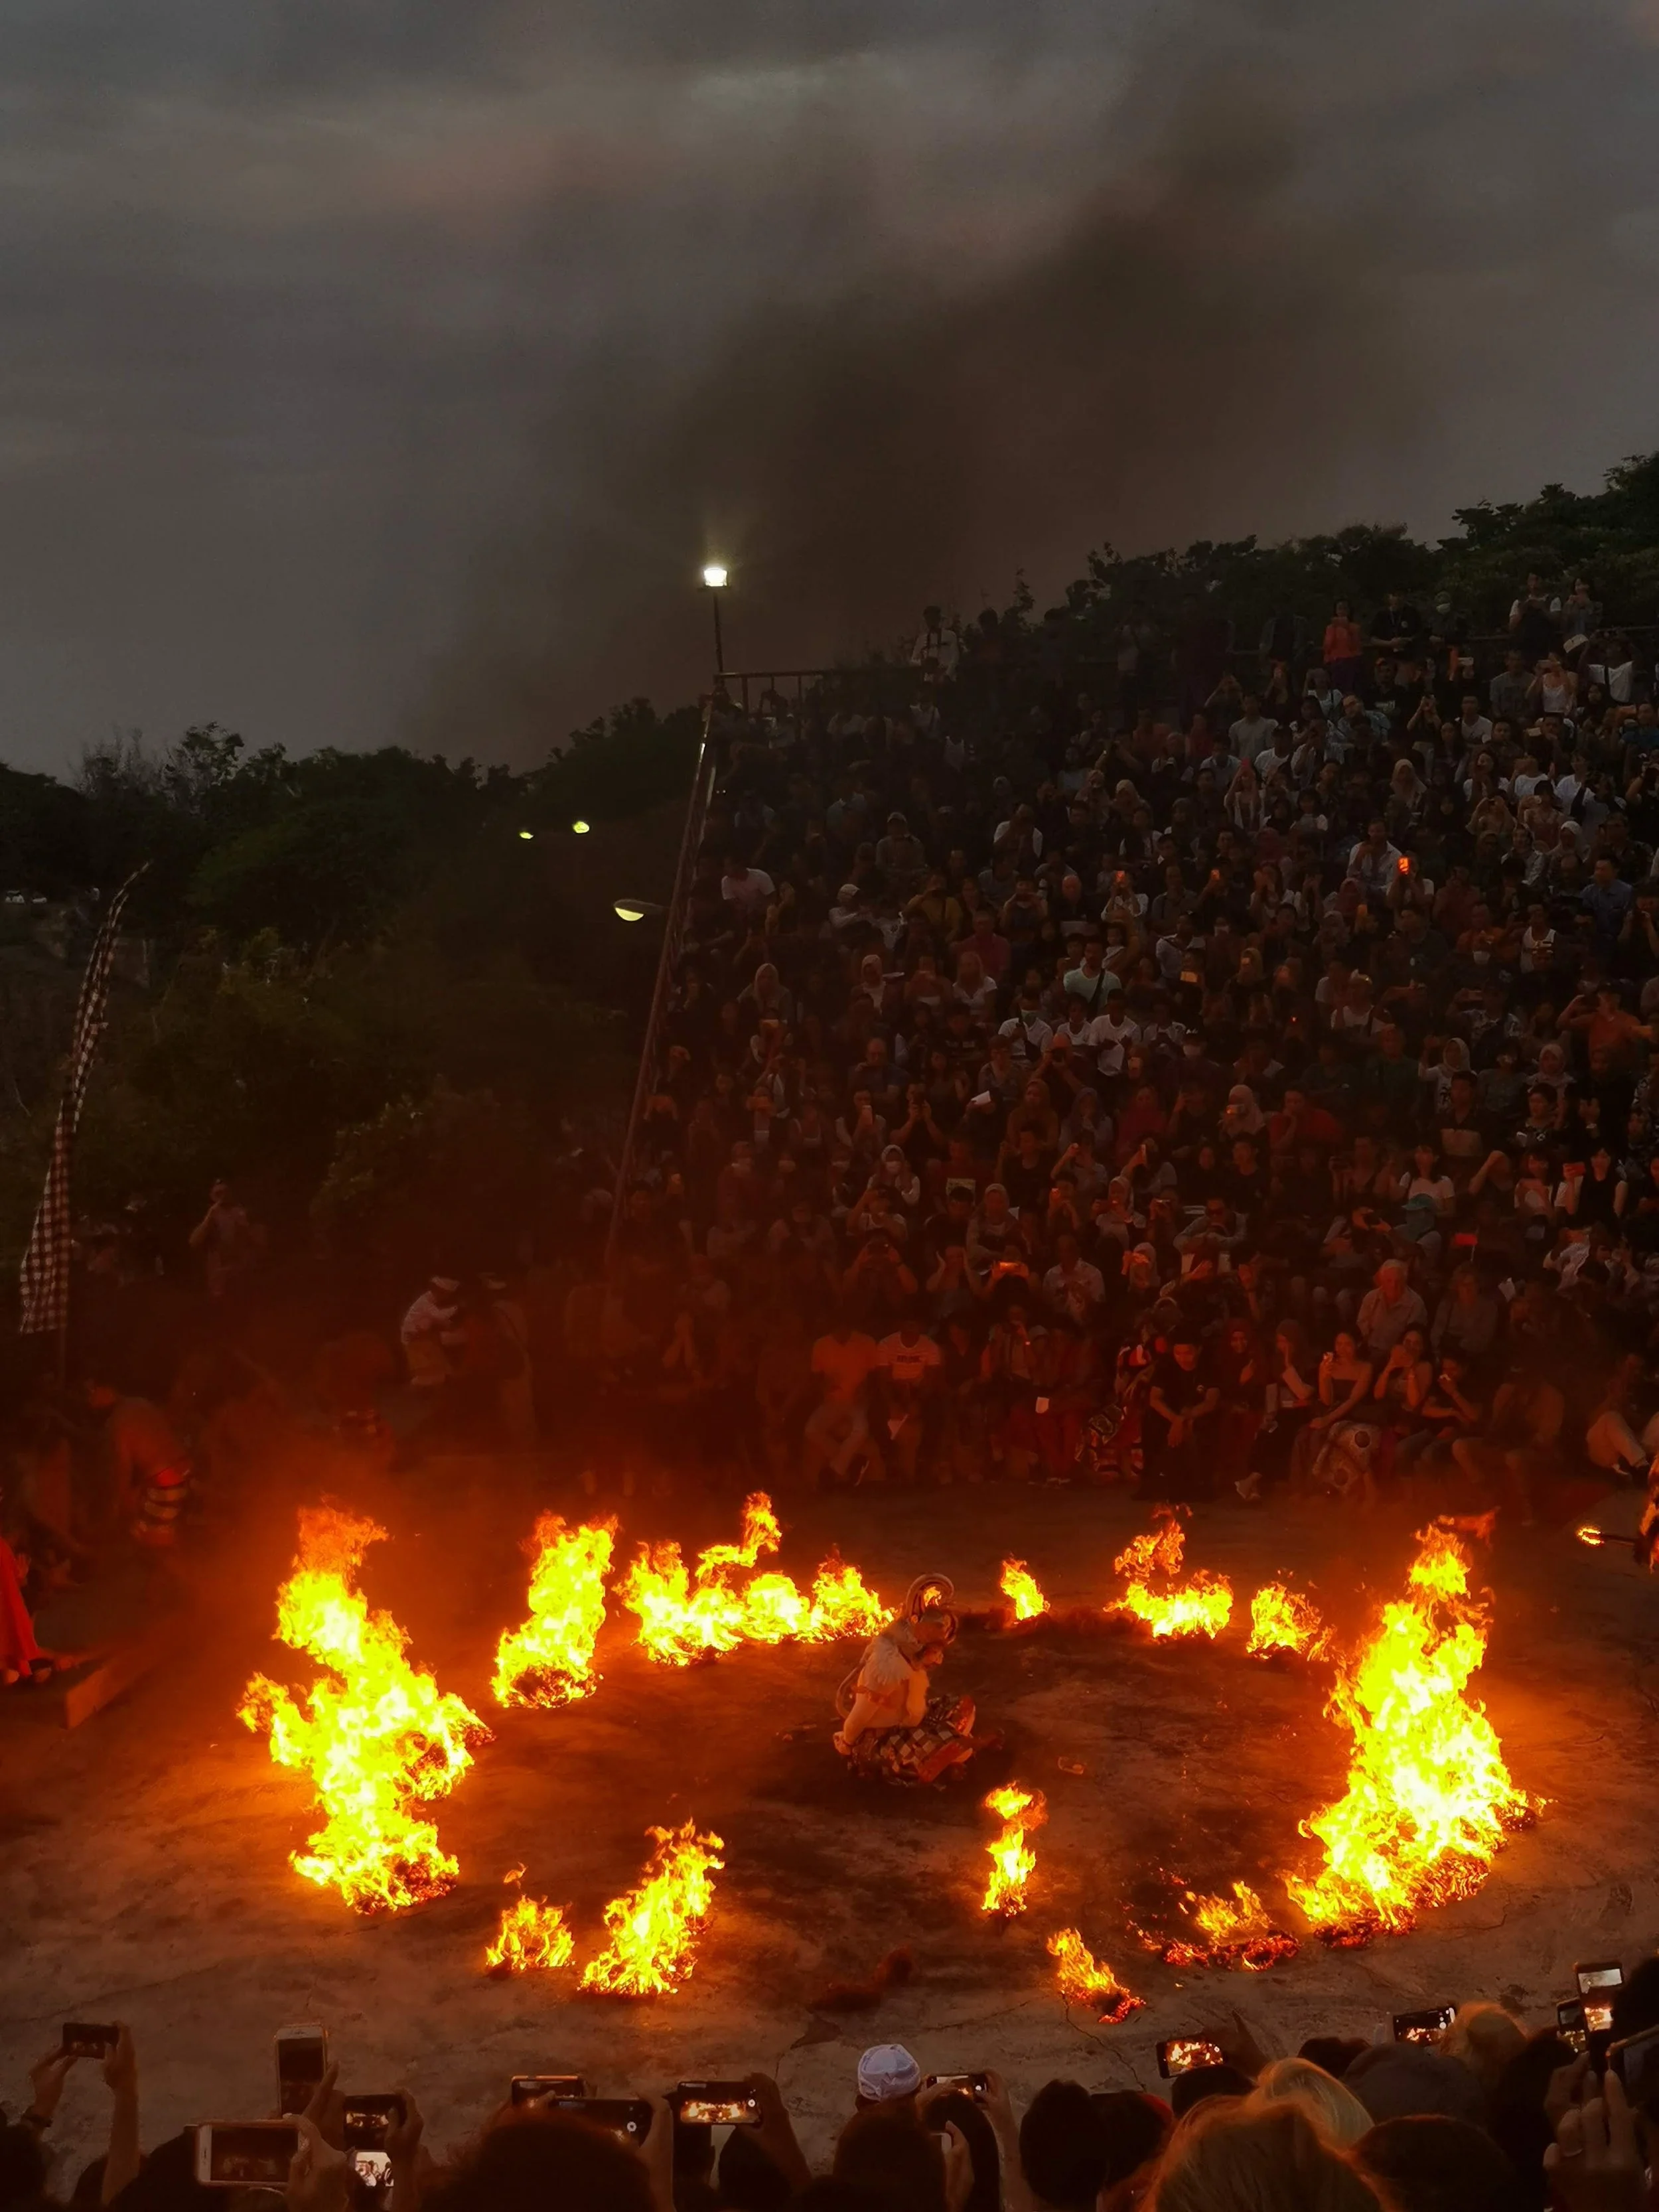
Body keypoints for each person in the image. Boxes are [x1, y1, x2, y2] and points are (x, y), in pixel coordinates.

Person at [833, 1576, 984, 1785]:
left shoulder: (908, 1660)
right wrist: (847, 1744)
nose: (939, 1660)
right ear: (920, 1646)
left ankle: (947, 1747)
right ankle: (940, 1759)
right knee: (960, 1751)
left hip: (907, 1723)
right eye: (936, 1652)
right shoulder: (886, 1670)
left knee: (962, 1708)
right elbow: (858, 1717)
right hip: (881, 1741)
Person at [187, 1178, 265, 1302]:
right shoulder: (209, 1215)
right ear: (212, 1196)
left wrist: (245, 1224)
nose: (223, 1197)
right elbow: (193, 1242)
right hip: (218, 1280)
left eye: (226, 1193)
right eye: (218, 1194)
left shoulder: (244, 1212)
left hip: (242, 1276)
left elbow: (261, 1242)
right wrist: (208, 1219)